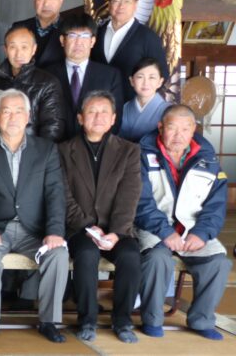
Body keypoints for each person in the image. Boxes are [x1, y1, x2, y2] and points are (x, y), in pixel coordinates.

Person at [0, 89, 68, 343]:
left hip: (34, 230)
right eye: (6, 111)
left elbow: (55, 195)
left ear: (28, 116)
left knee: (58, 254)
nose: (12, 117)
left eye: (18, 111)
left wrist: (54, 231)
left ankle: (48, 321)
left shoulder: (46, 150)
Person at [135, 105, 231, 341]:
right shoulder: (141, 154)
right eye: (172, 128)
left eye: (185, 129)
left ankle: (201, 319)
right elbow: (140, 201)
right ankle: (152, 318)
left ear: (193, 130)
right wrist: (166, 232)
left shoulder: (207, 158)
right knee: (158, 258)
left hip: (193, 228)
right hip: (154, 227)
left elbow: (216, 204)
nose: (178, 135)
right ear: (160, 127)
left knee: (218, 262)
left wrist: (201, 233)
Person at [60, 90, 142, 343]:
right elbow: (62, 195)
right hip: (79, 228)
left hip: (116, 228)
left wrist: (116, 232)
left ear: (114, 118)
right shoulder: (63, 150)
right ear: (80, 118)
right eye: (92, 112)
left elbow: (129, 195)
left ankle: (123, 320)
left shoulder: (128, 151)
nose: (98, 117)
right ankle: (87, 320)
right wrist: (89, 228)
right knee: (86, 254)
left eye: (104, 112)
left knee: (130, 255)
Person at [45, 14, 124, 140]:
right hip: (56, 148)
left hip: (96, 148)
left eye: (84, 36)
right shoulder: (47, 74)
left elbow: (116, 118)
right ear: (62, 40)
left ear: (92, 41)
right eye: (72, 36)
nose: (78, 42)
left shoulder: (110, 75)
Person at [92, 0, 169, 102]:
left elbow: (162, 73)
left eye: (127, 1)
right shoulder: (96, 33)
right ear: (109, 4)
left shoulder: (147, 37)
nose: (121, 6)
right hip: (100, 108)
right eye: (116, 1)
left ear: (135, 5)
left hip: (132, 107)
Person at [0, 25, 66, 142]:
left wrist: (37, 154)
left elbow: (52, 126)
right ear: (5, 50)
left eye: (24, 47)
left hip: (32, 152)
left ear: (34, 49)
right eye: (13, 47)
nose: (18, 53)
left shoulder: (48, 83)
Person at [12, 0, 66, 67]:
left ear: (61, 0)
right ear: (34, 0)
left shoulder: (69, 29)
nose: (46, 4)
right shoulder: (19, 27)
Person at [119, 58, 169, 142]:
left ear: (160, 82)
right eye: (140, 77)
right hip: (125, 154)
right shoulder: (124, 108)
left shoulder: (168, 110)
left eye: (152, 77)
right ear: (132, 81)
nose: (146, 83)